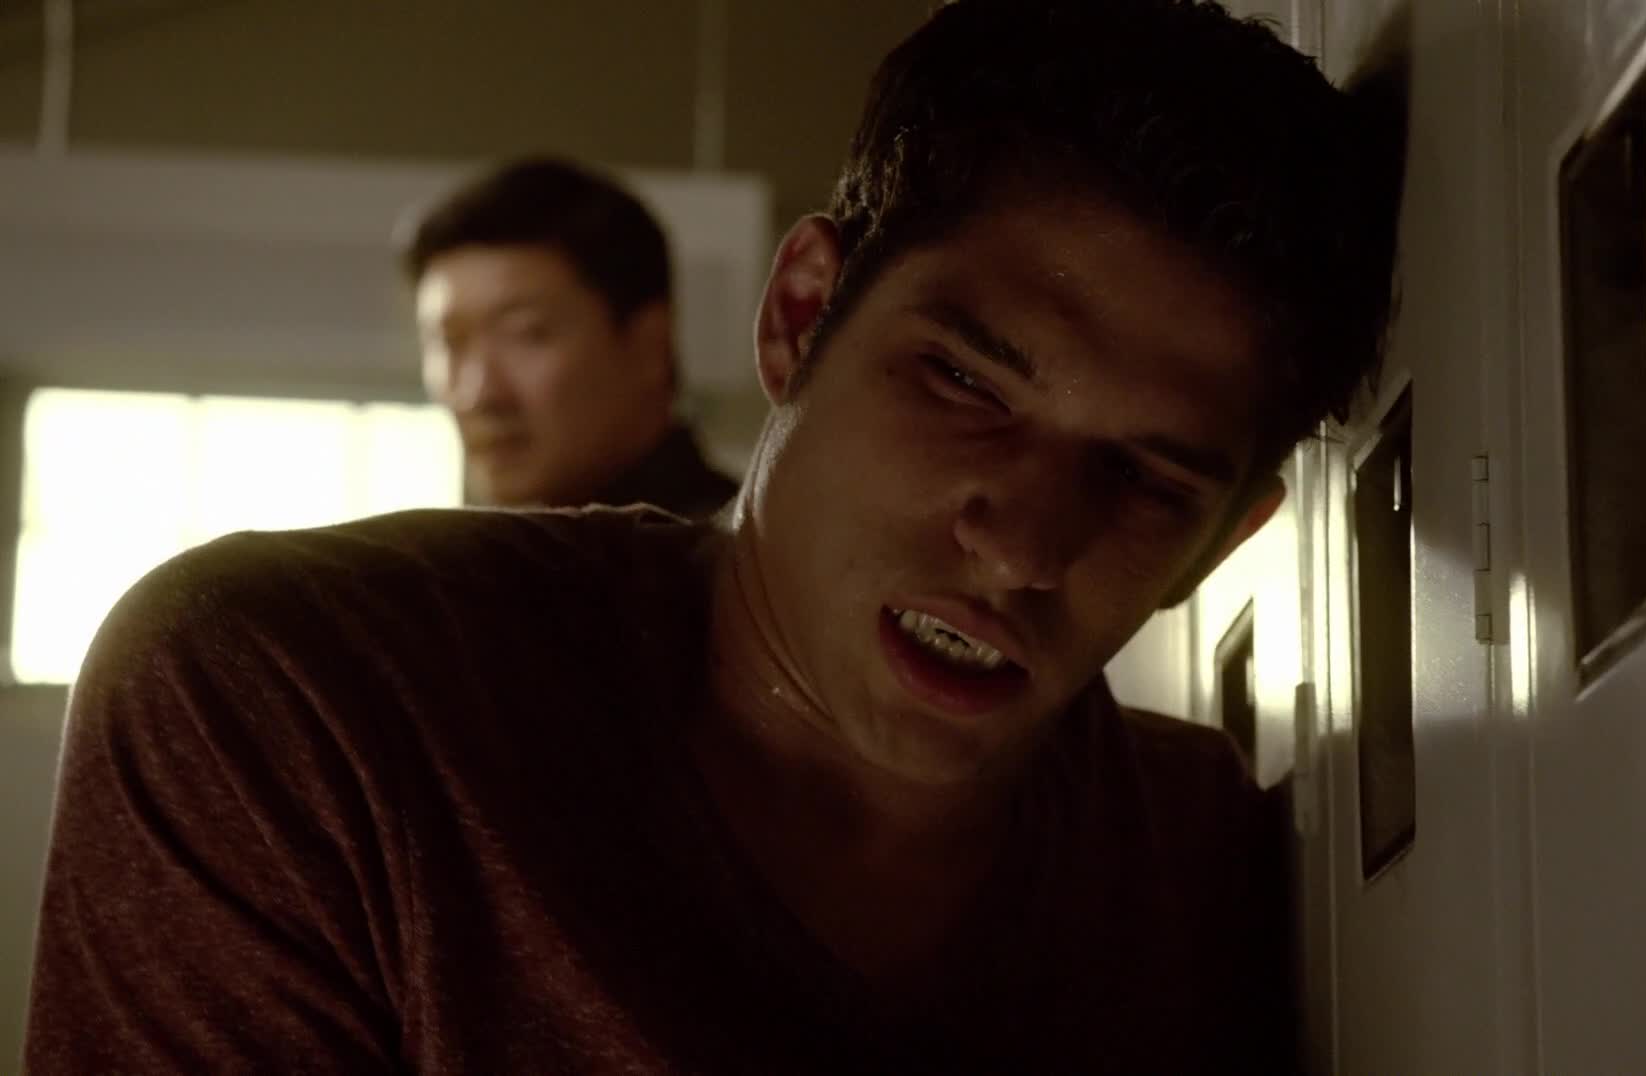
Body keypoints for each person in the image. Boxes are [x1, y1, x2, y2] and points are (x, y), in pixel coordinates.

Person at [23, 1, 1397, 1071]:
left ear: (1221, 545)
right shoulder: (306, 704)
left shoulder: (1202, 865)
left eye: (1146, 479)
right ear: (799, 318)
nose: (1021, 544)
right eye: (966, 384)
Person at [403, 156, 738, 515]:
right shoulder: (498, 546)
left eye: (526, 334)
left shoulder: (737, 545)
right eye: (449, 341)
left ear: (648, 346)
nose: (480, 395)